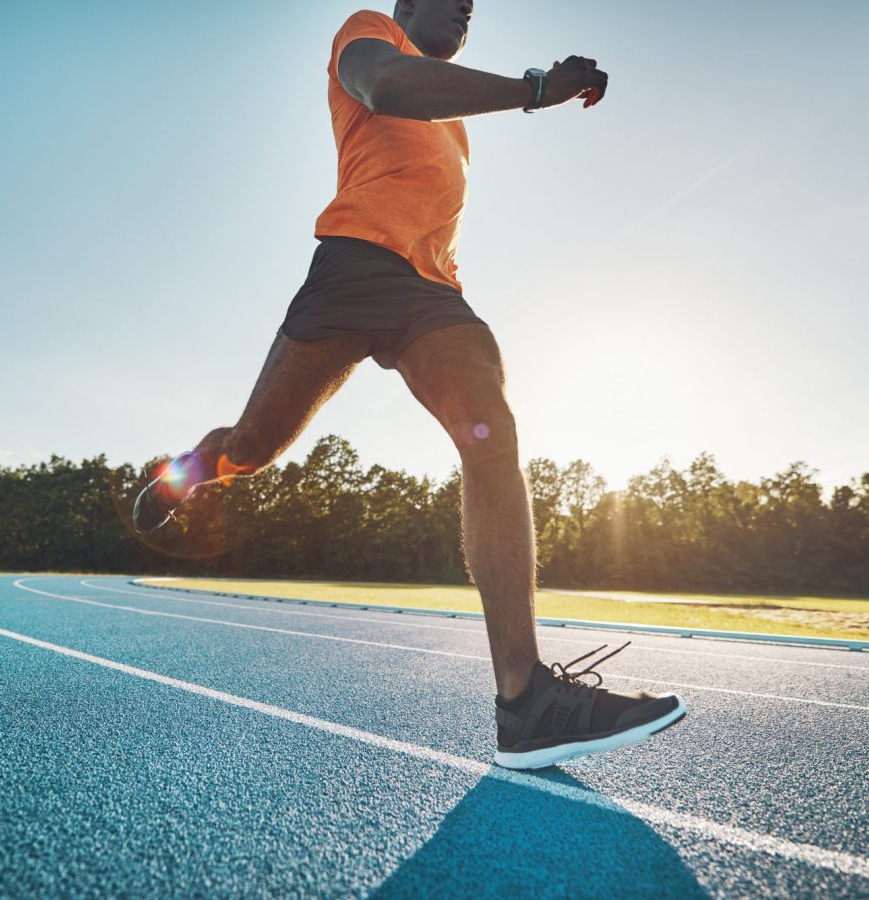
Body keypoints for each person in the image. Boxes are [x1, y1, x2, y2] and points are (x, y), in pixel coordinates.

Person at [133, 0, 685, 769]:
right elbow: (388, 85)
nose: (466, 5)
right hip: (353, 267)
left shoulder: (456, 123)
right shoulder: (369, 33)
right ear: (405, 3)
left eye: (474, 6)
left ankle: (526, 702)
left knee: (491, 430)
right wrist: (532, 89)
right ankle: (189, 470)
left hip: (429, 293)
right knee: (254, 447)